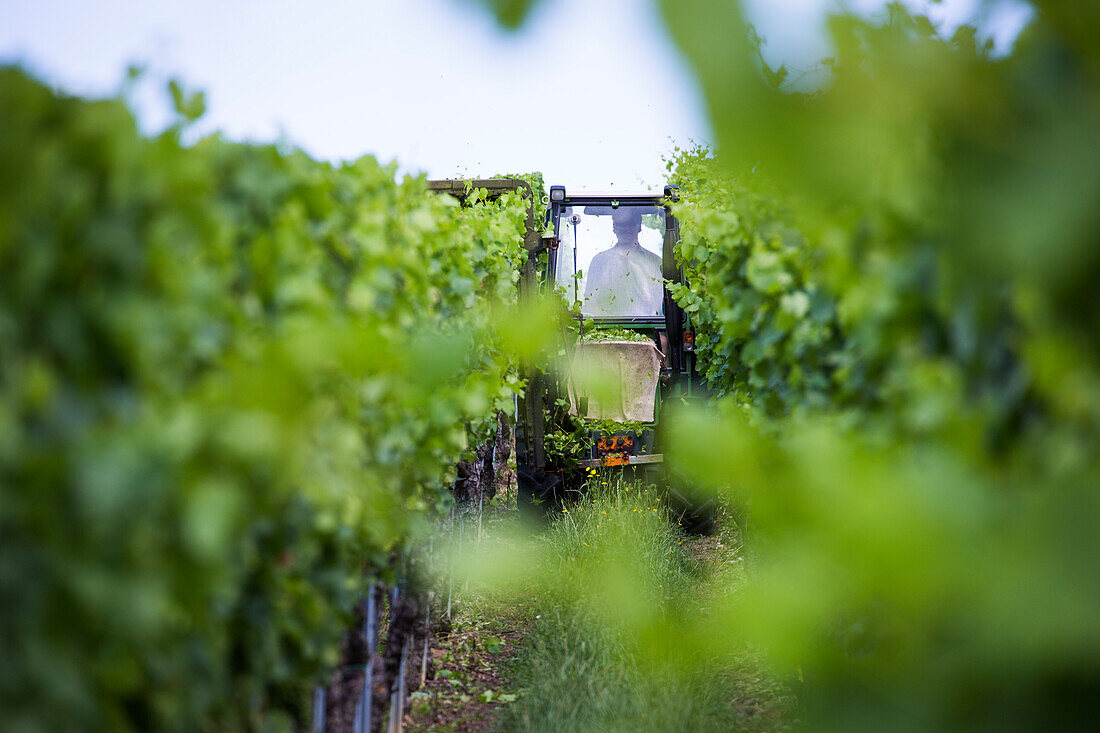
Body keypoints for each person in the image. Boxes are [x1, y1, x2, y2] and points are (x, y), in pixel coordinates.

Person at [583, 208, 663, 317]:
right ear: (614, 227)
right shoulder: (600, 261)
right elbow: (591, 302)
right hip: (609, 329)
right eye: (620, 224)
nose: (625, 229)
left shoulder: (655, 262)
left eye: (629, 224)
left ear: (639, 226)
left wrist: (661, 332)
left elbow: (660, 303)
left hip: (649, 328)